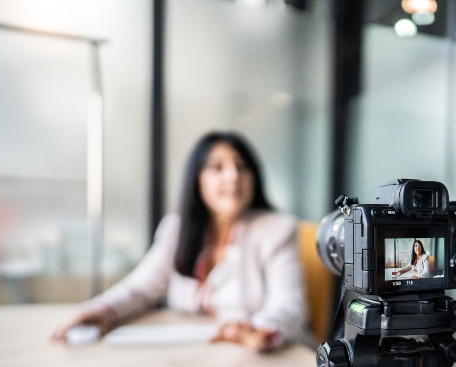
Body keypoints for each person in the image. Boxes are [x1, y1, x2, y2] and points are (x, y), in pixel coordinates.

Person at [52, 131, 308, 351]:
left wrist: (258, 331)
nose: (233, 176)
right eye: (217, 167)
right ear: (197, 179)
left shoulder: (277, 229)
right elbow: (141, 288)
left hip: (263, 357)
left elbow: (288, 306)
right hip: (201, 356)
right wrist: (101, 310)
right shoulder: (176, 229)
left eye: (242, 166)